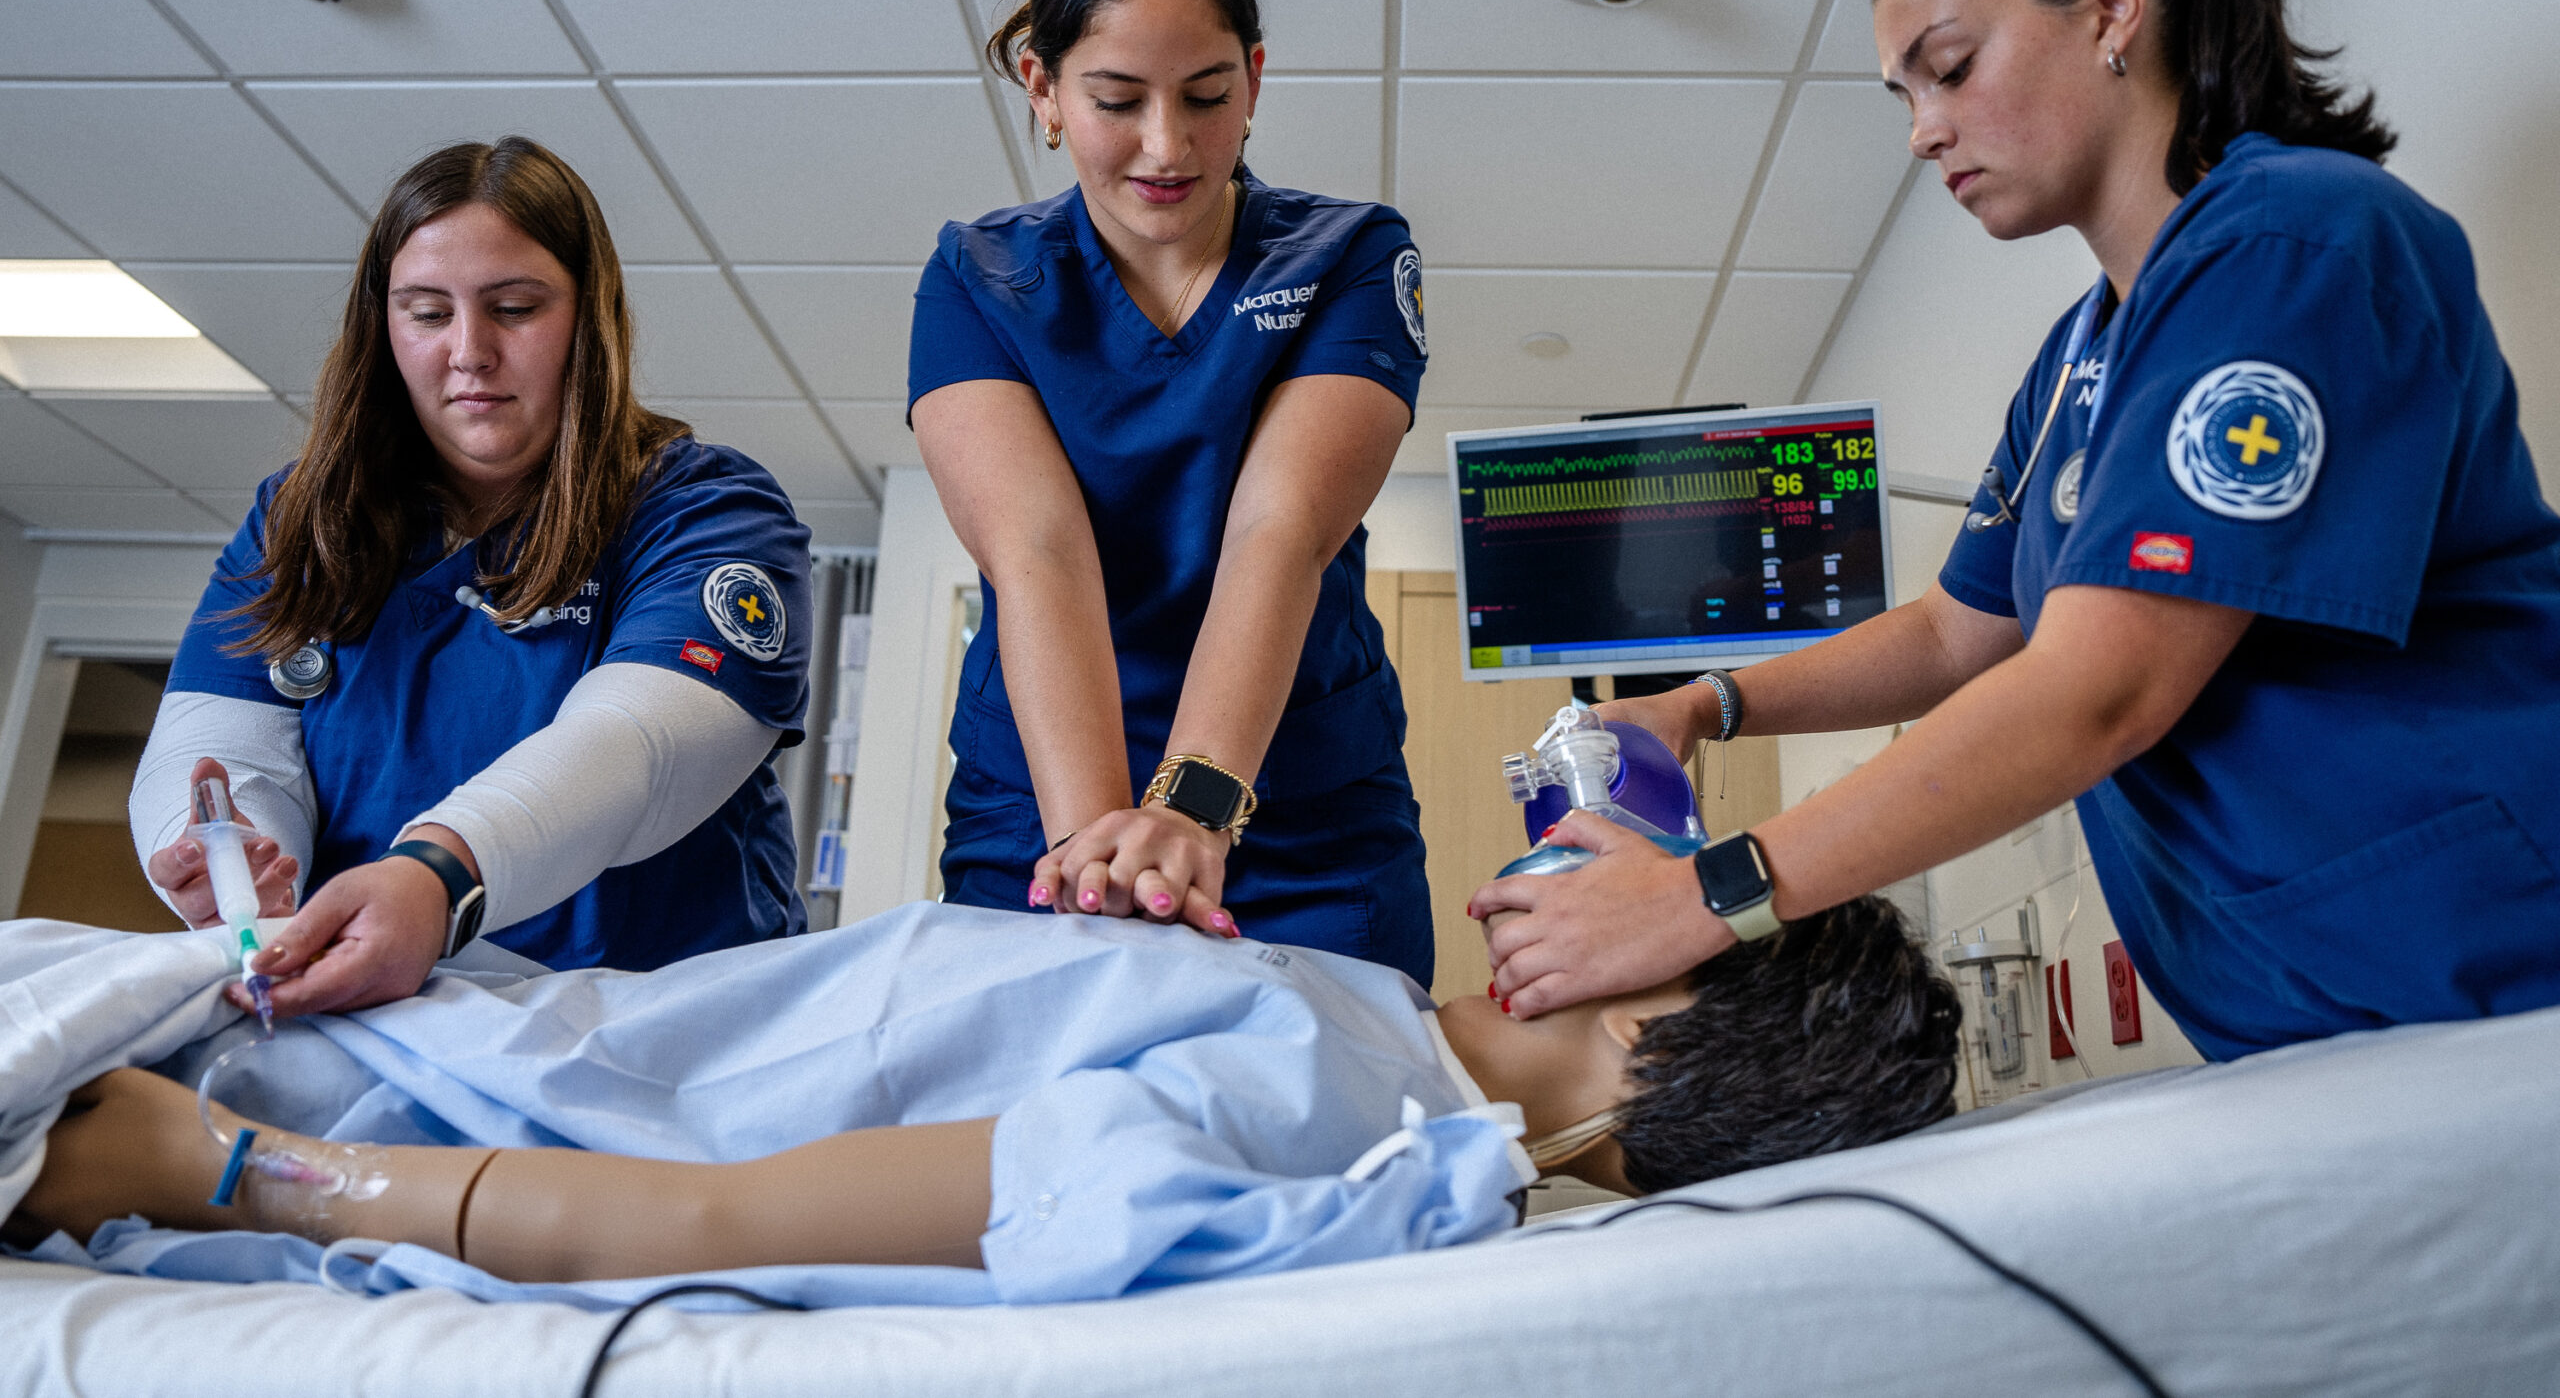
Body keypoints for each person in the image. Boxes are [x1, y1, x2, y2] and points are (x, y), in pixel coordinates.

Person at [1472, 0, 2560, 1061]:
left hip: (2485, 957)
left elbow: (2098, 685)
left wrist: (1704, 895)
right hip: (2292, 1003)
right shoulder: (2080, 355)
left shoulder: (2292, 243)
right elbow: (1955, 631)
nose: (1923, 133)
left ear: (2110, 13)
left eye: (1948, 70)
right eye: (1903, 98)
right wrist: (1705, 704)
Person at [10, 895, 1958, 1296]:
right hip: (419, 1018)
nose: (1627, 865)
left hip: (298, 1118)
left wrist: (243, 1171)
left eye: (1692, 904)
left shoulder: (1315, 1115)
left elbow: (704, 1220)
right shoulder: (1349, 1003)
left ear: (1663, 1033)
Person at [133, 138, 814, 1018]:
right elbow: (218, 751)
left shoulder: (705, 511)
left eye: (516, 308)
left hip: (659, 1033)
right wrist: (238, 861)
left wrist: (439, 876)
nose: (470, 351)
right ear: (382, 327)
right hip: (383, 1023)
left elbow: (639, 748)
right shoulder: (302, 521)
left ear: (588, 317)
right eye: (426, 313)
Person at [909, 0, 1435, 983]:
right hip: (1042, 804)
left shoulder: (1349, 257)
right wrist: (1102, 858)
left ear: (1253, 78)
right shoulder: (977, 279)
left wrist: (1191, 814)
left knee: (1334, 1118)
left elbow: (1277, 536)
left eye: (1203, 95)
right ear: (1042, 87)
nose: (1165, 147)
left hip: (1297, 805)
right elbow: (1038, 554)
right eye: (1116, 99)